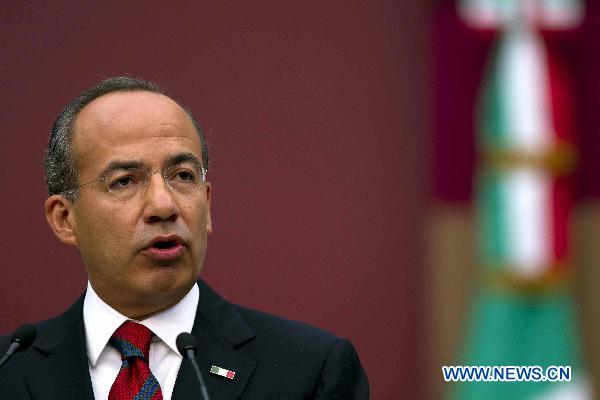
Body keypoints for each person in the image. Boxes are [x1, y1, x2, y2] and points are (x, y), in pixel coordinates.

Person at [0, 76, 369, 399]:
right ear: (65, 219)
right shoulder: (10, 369)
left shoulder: (309, 369)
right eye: (124, 181)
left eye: (183, 176)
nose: (164, 205)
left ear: (206, 206)